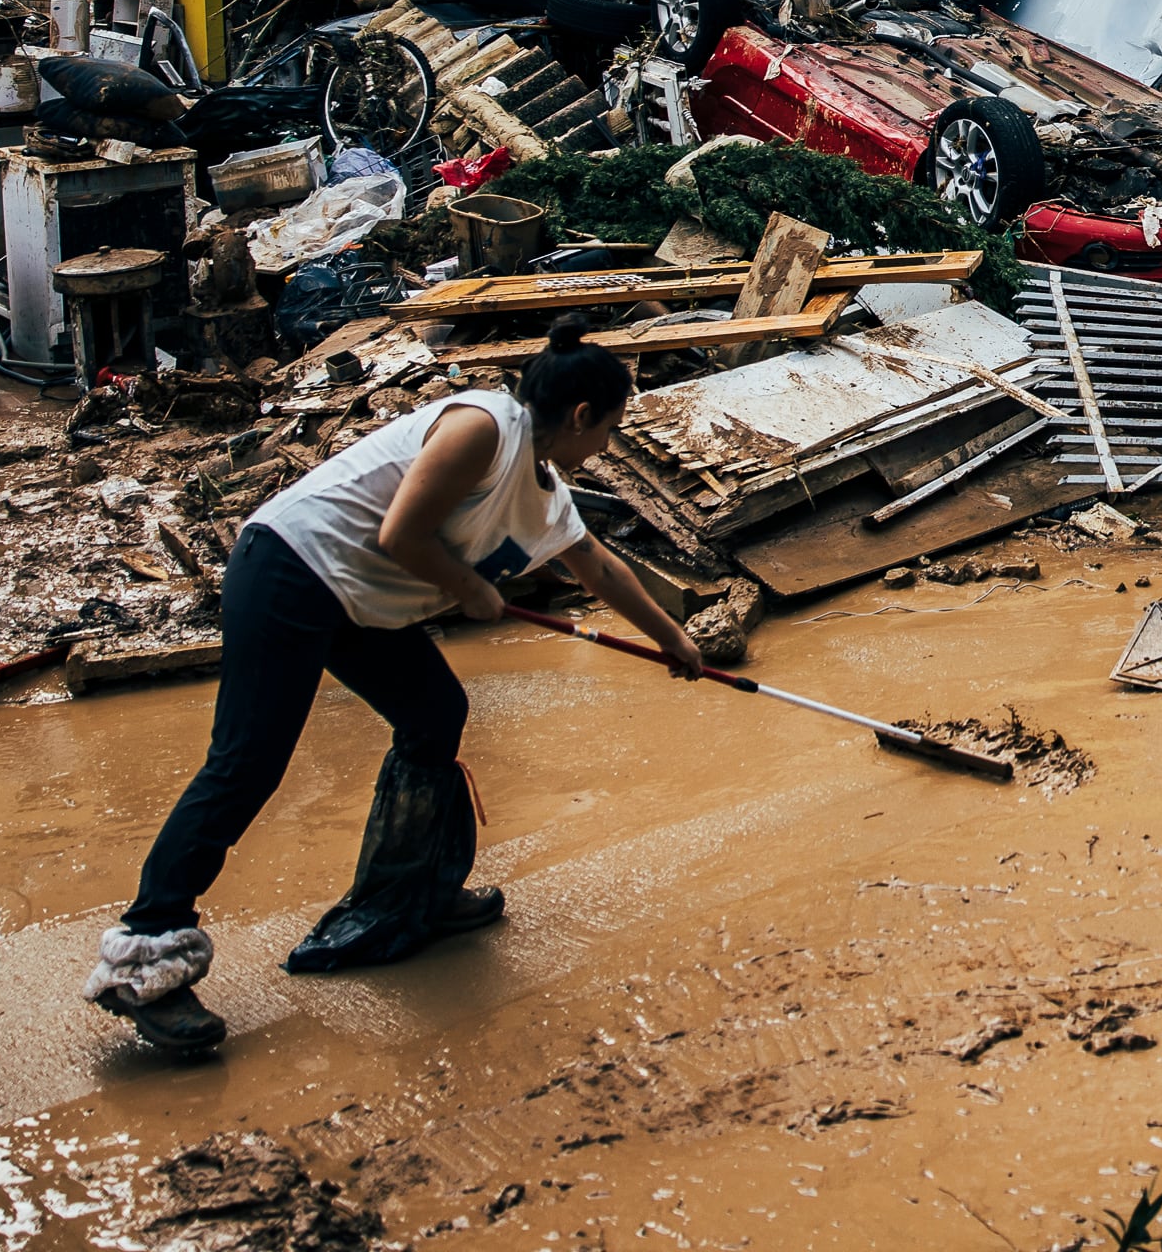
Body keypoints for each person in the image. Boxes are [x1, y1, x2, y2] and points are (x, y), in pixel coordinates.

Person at [87, 318, 706, 1055]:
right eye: (609, 428)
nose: (607, 444)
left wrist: (674, 640)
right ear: (580, 416)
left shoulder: (545, 493)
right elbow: (401, 534)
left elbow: (598, 567)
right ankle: (145, 955)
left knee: (435, 710)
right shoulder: (484, 426)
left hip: (355, 599)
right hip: (289, 566)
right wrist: (468, 587)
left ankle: (416, 892)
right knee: (247, 761)